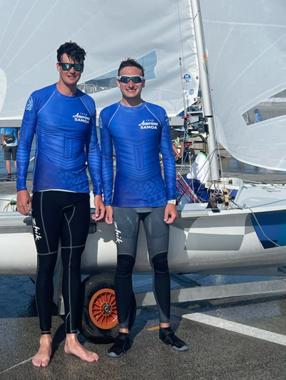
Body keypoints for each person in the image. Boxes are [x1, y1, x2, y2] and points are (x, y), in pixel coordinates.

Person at [16, 41, 105, 367]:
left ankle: (70, 339)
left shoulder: (87, 102)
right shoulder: (39, 98)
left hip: (78, 194)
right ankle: (44, 340)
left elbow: (93, 150)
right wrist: (20, 187)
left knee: (73, 266)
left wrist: (99, 192)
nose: (72, 71)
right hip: (45, 195)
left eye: (77, 67)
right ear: (58, 66)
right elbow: (24, 143)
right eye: (67, 65)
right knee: (46, 265)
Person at [99, 59, 187, 358]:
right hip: (123, 201)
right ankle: (123, 334)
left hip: (156, 200)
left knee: (160, 264)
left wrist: (172, 198)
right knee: (123, 267)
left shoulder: (157, 113)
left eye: (136, 79)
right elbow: (103, 161)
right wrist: (106, 200)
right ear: (117, 81)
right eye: (125, 79)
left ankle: (166, 329)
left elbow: (168, 157)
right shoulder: (108, 115)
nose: (130, 83)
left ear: (144, 81)